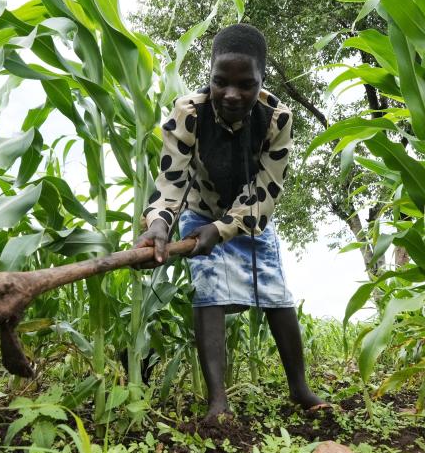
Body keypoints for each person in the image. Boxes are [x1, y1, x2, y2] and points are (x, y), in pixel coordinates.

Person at [135, 23, 328, 422]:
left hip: (250, 216)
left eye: (246, 84)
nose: (232, 94)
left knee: (275, 294)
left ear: (261, 80)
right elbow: (172, 182)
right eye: (221, 82)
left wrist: (224, 229)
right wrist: (157, 226)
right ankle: (218, 401)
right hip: (200, 212)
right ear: (210, 76)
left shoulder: (277, 118)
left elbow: (266, 189)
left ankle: (300, 388)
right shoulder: (188, 113)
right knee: (210, 295)